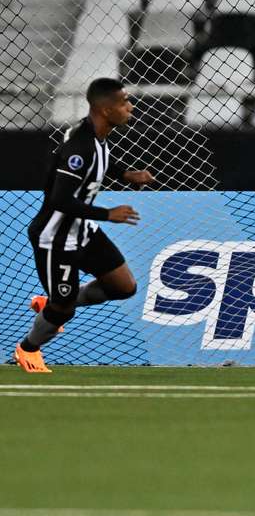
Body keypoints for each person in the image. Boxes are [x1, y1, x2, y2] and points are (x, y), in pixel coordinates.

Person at [14, 78, 154, 373]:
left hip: (83, 232)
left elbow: (101, 163)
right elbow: (59, 199)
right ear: (105, 110)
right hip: (56, 238)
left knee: (124, 286)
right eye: (123, 102)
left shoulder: (96, 136)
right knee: (63, 310)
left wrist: (125, 174)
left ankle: (51, 304)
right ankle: (28, 349)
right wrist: (107, 214)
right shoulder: (81, 148)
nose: (130, 107)